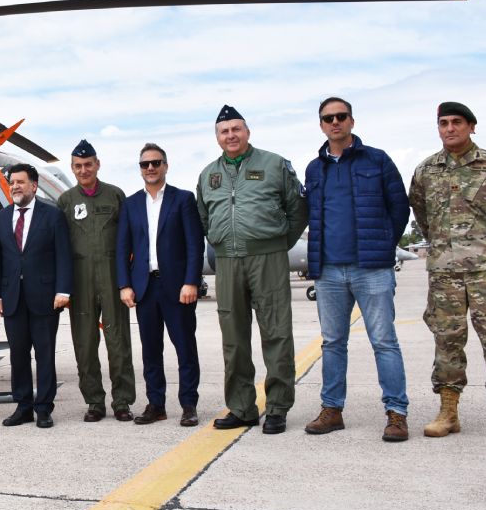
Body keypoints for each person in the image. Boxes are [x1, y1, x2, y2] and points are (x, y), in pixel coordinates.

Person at [303, 98, 411, 442]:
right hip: (329, 271)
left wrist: (382, 243)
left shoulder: (377, 160)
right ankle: (332, 409)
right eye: (327, 118)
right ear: (321, 125)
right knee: (333, 343)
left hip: (372, 269)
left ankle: (396, 413)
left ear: (351, 120)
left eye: (340, 116)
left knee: (384, 342)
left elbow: (399, 208)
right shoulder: (314, 169)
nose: (335, 122)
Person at [197, 105, 308, 435]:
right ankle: (242, 407)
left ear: (247, 132)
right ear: (217, 137)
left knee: (276, 333)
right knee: (233, 339)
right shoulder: (208, 175)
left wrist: (275, 244)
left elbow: (297, 209)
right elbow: (204, 217)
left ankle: (277, 407)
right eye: (224, 131)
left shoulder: (274, 164)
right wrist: (220, 242)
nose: (230, 135)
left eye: (236, 129)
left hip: (268, 259)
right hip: (227, 262)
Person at [409, 101, 486, 442]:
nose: (449, 128)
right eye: (443, 123)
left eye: (456, 122)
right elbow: (422, 217)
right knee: (447, 342)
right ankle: (448, 412)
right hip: (445, 273)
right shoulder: (426, 171)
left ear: (471, 126)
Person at [117, 143, 205, 426]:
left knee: (184, 348)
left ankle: (189, 404)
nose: (151, 168)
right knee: (150, 350)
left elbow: (195, 245)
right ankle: (156, 404)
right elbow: (122, 249)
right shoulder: (130, 204)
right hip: (144, 289)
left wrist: (191, 281)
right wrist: (124, 285)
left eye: (156, 163)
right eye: (145, 164)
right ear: (140, 169)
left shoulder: (183, 199)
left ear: (165, 166)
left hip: (177, 288)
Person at [57, 140, 136, 422]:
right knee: (85, 344)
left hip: (113, 277)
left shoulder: (115, 195)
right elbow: (60, 246)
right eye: (78, 166)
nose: (83, 170)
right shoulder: (66, 201)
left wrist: (129, 280)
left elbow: (129, 238)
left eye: (88, 164)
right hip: (80, 281)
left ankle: (123, 401)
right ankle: (94, 402)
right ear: (72, 168)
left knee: (118, 342)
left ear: (97, 164)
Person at [0, 163, 73, 428]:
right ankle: (23, 406)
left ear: (33, 186)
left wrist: (63, 290)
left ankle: (44, 408)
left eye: (20, 182)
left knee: (44, 353)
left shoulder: (52, 216)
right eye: (11, 182)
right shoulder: (1, 218)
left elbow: (63, 255)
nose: (14, 186)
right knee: (18, 353)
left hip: (45, 296)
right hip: (13, 297)